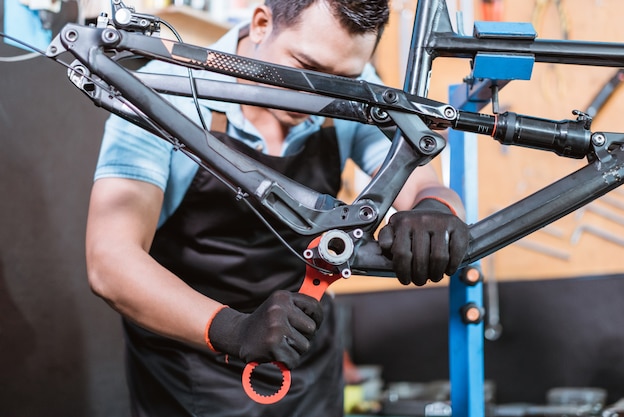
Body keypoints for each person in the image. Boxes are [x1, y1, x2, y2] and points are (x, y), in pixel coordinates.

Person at [85, 0, 470, 416]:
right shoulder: (163, 95)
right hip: (194, 369)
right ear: (261, 24)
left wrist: (435, 209)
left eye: (345, 79)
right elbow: (110, 260)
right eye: (305, 68)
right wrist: (233, 329)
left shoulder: (351, 81)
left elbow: (416, 179)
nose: (320, 95)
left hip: (307, 362)